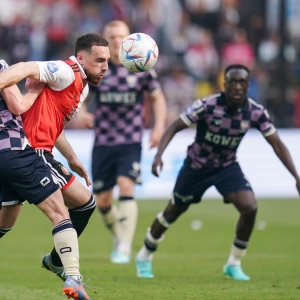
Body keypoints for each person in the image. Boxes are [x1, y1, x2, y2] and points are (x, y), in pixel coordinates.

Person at [135, 64, 300, 280]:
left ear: (248, 85)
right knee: (171, 213)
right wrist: (158, 155)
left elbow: (277, 145)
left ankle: (234, 263)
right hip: (196, 167)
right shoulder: (207, 105)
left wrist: (296, 176)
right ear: (225, 84)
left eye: (242, 82)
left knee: (249, 207)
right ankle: (145, 254)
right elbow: (175, 126)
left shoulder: (255, 112)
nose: (237, 87)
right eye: (233, 82)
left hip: (226, 166)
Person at [0, 33, 110, 281]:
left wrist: (71, 158)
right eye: (100, 60)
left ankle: (56, 261)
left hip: (30, 152)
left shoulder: (82, 88)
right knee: (77, 206)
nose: (105, 67)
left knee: (4, 226)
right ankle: (62, 266)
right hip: (31, 151)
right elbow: (26, 67)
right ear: (81, 58)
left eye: (108, 62)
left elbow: (54, 124)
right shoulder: (65, 71)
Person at [78, 20, 167, 264]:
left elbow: (157, 98)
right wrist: (82, 113)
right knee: (103, 200)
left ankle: (125, 247)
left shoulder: (141, 66)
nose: (117, 41)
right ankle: (120, 237)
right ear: (104, 41)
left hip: (131, 140)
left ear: (130, 39)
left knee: (126, 187)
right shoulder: (97, 68)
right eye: (112, 37)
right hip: (103, 141)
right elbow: (81, 96)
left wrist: (158, 127)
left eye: (121, 36)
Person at [0, 60, 90, 299]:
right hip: (14, 152)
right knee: (60, 213)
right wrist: (34, 90)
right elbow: (18, 106)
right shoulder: (1, 67)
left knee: (3, 225)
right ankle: (73, 277)